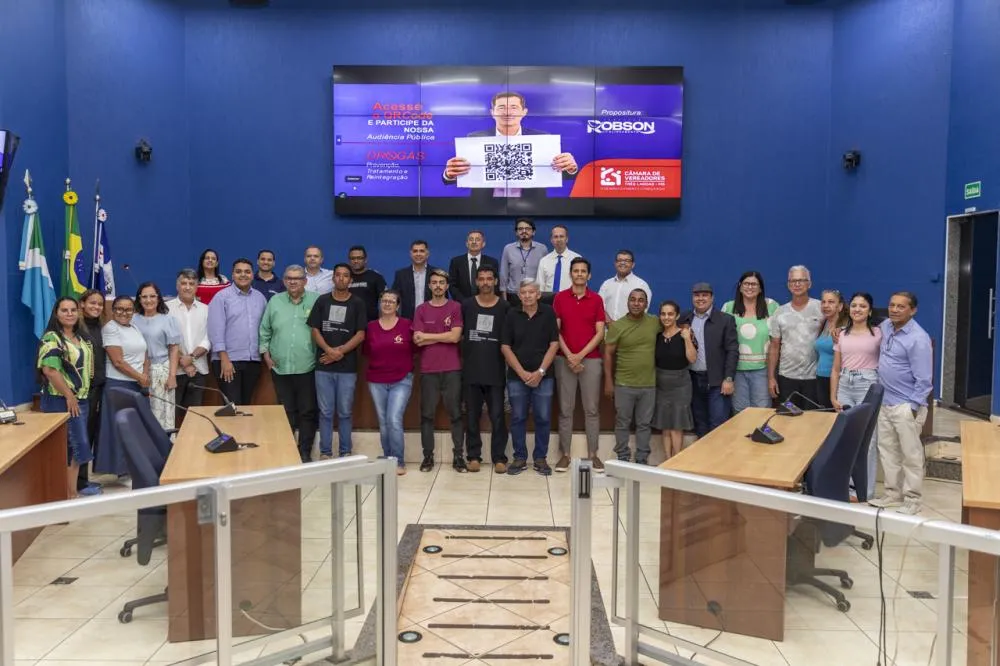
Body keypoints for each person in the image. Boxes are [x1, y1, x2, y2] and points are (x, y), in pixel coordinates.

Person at [442, 91, 578, 204]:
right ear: (492, 112)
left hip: (532, 206)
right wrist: (449, 174)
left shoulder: (542, 138)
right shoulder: (474, 139)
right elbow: (458, 175)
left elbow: (558, 173)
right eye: (501, 108)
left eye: (514, 107)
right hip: (485, 206)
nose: (507, 112)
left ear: (524, 112)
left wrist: (570, 168)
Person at [869, 292, 933, 515]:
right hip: (885, 402)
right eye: (892, 305)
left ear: (912, 310)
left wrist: (913, 408)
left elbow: (925, 379)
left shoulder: (918, 338)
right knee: (887, 451)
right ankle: (892, 494)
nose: (894, 310)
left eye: (901, 307)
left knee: (911, 454)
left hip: (906, 405)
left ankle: (913, 499)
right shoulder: (886, 326)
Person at [37, 298, 101, 498]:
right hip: (61, 400)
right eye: (64, 310)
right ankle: (65, 495)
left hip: (81, 400)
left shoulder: (81, 338)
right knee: (68, 449)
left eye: (73, 310)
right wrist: (69, 396)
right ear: (57, 313)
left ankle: (71, 493)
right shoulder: (52, 338)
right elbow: (50, 370)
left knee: (77, 450)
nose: (70, 313)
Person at [260, 265, 320, 463]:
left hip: (307, 366)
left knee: (307, 411)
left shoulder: (316, 300)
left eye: (297, 278)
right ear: (284, 281)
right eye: (289, 278)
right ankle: (287, 452)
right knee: (285, 411)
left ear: (305, 281)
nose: (293, 281)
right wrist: (266, 354)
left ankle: (304, 452)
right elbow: (265, 330)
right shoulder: (275, 301)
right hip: (280, 366)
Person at [309, 264, 367, 458]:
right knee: (325, 412)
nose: (341, 279)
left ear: (351, 280)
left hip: (347, 368)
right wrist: (328, 350)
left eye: (345, 276)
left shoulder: (358, 303)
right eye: (338, 275)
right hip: (323, 365)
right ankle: (325, 452)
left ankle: (345, 452)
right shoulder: (322, 301)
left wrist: (340, 351)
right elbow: (315, 330)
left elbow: (360, 334)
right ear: (332, 278)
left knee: (344, 412)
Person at [553, 257, 606, 472]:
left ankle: (594, 454)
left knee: (592, 409)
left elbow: (600, 332)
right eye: (576, 271)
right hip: (563, 359)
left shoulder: (596, 299)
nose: (580, 274)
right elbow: (555, 331)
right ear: (571, 274)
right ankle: (565, 455)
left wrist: (580, 355)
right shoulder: (560, 298)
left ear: (589, 275)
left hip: (590, 360)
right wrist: (569, 356)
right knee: (566, 409)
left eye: (584, 271)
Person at [501, 280, 559, 476]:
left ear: (538, 294)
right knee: (518, 417)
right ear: (518, 295)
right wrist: (522, 373)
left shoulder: (548, 313)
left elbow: (554, 344)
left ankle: (540, 458)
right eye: (523, 292)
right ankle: (519, 457)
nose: (527, 296)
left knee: (543, 417)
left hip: (544, 376)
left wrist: (540, 372)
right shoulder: (511, 314)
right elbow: (505, 347)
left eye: (531, 292)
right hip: (518, 377)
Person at [830, 292, 882, 499]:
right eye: (854, 305)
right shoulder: (842, 334)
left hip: (867, 384)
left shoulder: (879, 333)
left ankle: (865, 490)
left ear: (870, 311)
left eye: (862, 306)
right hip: (845, 384)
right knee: (845, 437)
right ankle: (847, 486)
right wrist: (833, 396)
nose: (857, 309)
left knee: (867, 440)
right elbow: (835, 369)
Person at [413, 269, 464, 472]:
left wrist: (428, 337)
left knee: (456, 414)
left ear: (447, 286)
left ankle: (459, 456)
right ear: (429, 285)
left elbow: (455, 337)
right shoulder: (421, 309)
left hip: (452, 369)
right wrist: (441, 335)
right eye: (434, 282)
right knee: (427, 415)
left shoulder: (455, 307)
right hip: (428, 370)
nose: (438, 286)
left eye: (441, 282)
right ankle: (427, 457)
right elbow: (417, 339)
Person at [461, 265, 511, 473]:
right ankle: (473, 456)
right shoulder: (466, 305)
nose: (485, 282)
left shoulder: (505, 307)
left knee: (498, 416)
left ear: (496, 281)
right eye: (481, 279)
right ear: (476, 281)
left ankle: (499, 457)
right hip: (472, 369)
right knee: (472, 416)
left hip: (496, 370)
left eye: (489, 279)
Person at [95, 295, 150, 478]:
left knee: (135, 428)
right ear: (113, 310)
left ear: (133, 311)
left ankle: (133, 468)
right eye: (119, 308)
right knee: (120, 429)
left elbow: (144, 354)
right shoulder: (110, 328)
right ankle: (120, 470)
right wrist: (140, 378)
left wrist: (145, 375)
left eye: (128, 309)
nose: (123, 313)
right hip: (118, 384)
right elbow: (118, 361)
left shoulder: (134, 327)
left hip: (137, 383)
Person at [604, 289, 660, 464]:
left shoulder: (655, 322)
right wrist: (608, 382)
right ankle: (623, 456)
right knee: (622, 422)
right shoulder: (618, 326)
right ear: (627, 302)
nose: (636, 303)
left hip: (649, 384)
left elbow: (674, 325)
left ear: (646, 304)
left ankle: (642, 458)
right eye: (633, 300)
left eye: (641, 300)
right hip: (624, 384)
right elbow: (608, 354)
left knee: (644, 424)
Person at [363, 289, 415, 475]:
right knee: (383, 422)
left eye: (391, 301)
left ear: (398, 306)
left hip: (401, 379)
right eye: (384, 301)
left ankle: (398, 461)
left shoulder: (407, 325)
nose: (387, 304)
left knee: (394, 419)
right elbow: (367, 352)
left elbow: (415, 348)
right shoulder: (371, 327)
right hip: (376, 380)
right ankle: (387, 459)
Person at [678, 282, 738, 438]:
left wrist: (729, 378)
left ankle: (719, 462)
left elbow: (732, 351)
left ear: (712, 298)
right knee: (700, 423)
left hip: (717, 382)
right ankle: (703, 461)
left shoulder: (726, 320)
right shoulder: (685, 318)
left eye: (704, 295)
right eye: (697, 295)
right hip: (693, 380)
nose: (700, 299)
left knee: (718, 425)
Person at [207, 258, 268, 405]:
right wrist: (224, 359)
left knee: (246, 405)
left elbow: (265, 329)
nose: (243, 275)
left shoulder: (260, 298)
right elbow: (215, 330)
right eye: (238, 271)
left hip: (252, 360)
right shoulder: (222, 297)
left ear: (253, 275)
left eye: (247, 272)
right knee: (232, 406)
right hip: (228, 361)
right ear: (232, 275)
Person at [720, 271, 778, 412]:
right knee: (740, 413)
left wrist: (772, 376)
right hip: (736, 371)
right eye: (746, 283)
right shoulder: (728, 308)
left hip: (762, 371)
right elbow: (723, 343)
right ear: (740, 287)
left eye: (754, 284)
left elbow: (776, 342)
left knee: (762, 412)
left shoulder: (772, 306)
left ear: (760, 288)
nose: (750, 287)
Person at [768, 265, 823, 407]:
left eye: (801, 280)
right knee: (788, 422)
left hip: (814, 378)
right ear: (788, 285)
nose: (797, 284)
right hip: (786, 378)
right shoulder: (779, 312)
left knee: (813, 422)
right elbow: (774, 347)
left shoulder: (821, 308)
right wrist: (771, 378)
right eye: (793, 281)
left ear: (809, 284)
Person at [132, 282, 181, 430]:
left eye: (152, 296)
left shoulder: (168, 320)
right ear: (139, 299)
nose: (148, 300)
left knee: (164, 413)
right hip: (136, 372)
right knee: (143, 413)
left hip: (162, 371)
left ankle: (165, 447)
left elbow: (174, 349)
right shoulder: (132, 320)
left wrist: (172, 375)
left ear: (159, 298)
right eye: (144, 296)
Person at [652, 301, 696, 459]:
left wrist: (687, 339)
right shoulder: (657, 336)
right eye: (663, 314)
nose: (666, 317)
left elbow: (692, 358)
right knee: (665, 424)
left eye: (670, 314)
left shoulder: (685, 334)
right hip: (661, 383)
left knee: (677, 424)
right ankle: (667, 459)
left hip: (681, 384)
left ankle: (677, 459)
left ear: (677, 316)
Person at [166, 269, 211, 421]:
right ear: (177, 285)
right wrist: (184, 362)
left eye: (191, 283)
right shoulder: (166, 309)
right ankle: (171, 444)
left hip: (199, 369)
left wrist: (191, 358)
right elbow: (166, 339)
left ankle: (191, 443)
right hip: (174, 371)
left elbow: (209, 337)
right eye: (183, 283)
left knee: (195, 416)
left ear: (197, 286)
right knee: (172, 414)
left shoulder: (206, 309)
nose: (187, 287)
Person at [78, 289, 107, 494]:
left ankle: (84, 479)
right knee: (81, 435)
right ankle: (79, 482)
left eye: (99, 304)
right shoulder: (76, 328)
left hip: (98, 387)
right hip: (82, 390)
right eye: (92, 303)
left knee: (90, 432)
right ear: (82, 304)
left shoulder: (101, 327)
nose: (96, 307)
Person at [499, 218, 547, 307]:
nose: (524, 231)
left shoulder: (542, 249)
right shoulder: (508, 249)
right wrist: (505, 300)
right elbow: (503, 275)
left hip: (534, 296)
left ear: (533, 232)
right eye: (520, 229)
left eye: (527, 229)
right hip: (514, 296)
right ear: (516, 232)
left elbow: (545, 275)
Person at [815, 289, 848, 408]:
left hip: (837, 380)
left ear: (839, 306)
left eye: (831, 302)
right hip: (820, 378)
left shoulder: (846, 328)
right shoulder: (824, 323)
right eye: (823, 302)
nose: (826, 306)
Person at [598, 250, 652, 322]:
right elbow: (598, 306)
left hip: (631, 330)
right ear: (615, 263)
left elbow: (643, 310)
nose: (623, 263)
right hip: (608, 330)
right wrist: (610, 324)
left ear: (633, 265)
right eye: (619, 260)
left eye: (627, 260)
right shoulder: (606, 284)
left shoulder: (641, 285)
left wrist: (624, 327)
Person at [391, 240, 438, 320]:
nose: (418, 254)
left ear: (427, 254)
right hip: (407, 320)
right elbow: (394, 298)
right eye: (415, 251)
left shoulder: (436, 273)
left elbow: (443, 298)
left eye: (422, 251)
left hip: (432, 319)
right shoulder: (401, 275)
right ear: (410, 254)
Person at [448, 230, 499, 302]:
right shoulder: (456, 261)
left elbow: (495, 285)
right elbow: (452, 285)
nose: (474, 242)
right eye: (471, 239)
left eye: (477, 240)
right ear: (466, 243)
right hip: (462, 304)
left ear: (483, 244)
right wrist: (464, 302)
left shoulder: (492, 262)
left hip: (486, 303)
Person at [536, 225, 580, 298]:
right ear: (551, 240)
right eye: (555, 237)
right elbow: (540, 286)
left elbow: (581, 284)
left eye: (561, 236)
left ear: (567, 239)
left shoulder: (577, 259)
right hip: (548, 302)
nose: (559, 239)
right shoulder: (544, 261)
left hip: (570, 300)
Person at [347, 245, 387, 322]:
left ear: (365, 260)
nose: (356, 261)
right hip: (347, 323)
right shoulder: (344, 277)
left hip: (370, 323)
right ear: (349, 260)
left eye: (359, 258)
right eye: (353, 258)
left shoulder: (376, 277)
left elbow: (386, 299)